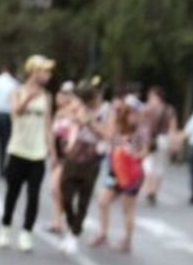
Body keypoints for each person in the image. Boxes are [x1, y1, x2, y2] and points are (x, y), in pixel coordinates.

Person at [0, 55, 56, 252]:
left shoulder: (47, 97)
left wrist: (52, 151)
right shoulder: (17, 91)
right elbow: (15, 112)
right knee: (12, 193)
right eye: (45, 71)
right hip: (17, 149)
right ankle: (5, 228)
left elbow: (48, 125)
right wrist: (29, 98)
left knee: (33, 196)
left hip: (37, 153)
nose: (48, 76)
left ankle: (26, 233)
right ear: (34, 72)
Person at [89, 102, 143, 253]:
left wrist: (132, 154)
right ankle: (103, 233)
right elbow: (107, 134)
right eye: (126, 113)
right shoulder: (118, 128)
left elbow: (144, 151)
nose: (129, 116)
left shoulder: (140, 132)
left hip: (130, 174)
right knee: (102, 201)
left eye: (131, 112)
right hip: (115, 172)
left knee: (127, 208)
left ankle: (127, 240)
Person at [56, 87, 104, 254]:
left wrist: (89, 121)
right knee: (65, 193)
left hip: (92, 156)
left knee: (84, 197)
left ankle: (74, 233)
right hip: (74, 153)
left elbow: (107, 133)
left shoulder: (105, 111)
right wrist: (74, 115)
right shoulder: (77, 107)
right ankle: (72, 223)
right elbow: (63, 117)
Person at [139, 85, 178, 207]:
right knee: (160, 167)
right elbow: (173, 127)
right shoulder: (169, 109)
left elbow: (140, 125)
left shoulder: (146, 109)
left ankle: (148, 188)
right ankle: (154, 191)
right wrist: (173, 142)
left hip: (149, 139)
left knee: (147, 164)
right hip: (164, 139)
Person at [46, 82, 76, 235]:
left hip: (68, 155)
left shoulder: (75, 112)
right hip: (57, 154)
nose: (61, 96)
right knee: (55, 190)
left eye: (66, 94)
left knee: (57, 188)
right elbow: (52, 134)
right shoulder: (58, 112)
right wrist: (52, 153)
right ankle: (57, 220)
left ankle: (62, 219)